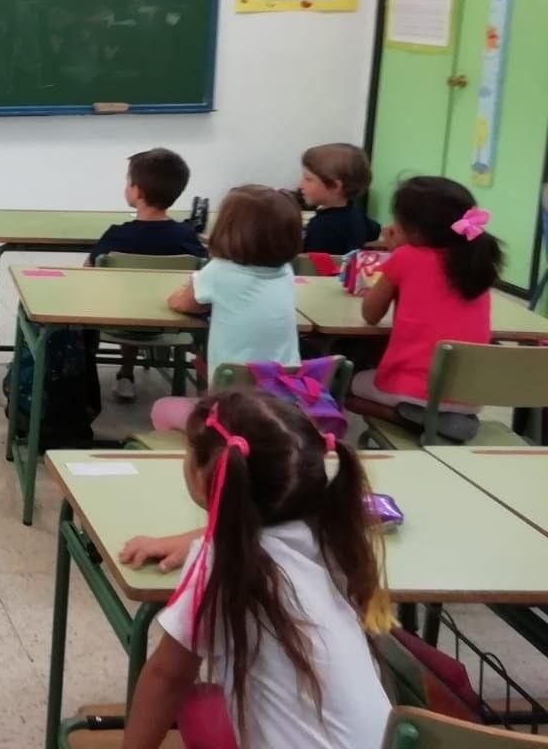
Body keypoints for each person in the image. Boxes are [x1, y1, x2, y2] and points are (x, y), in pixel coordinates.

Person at [119, 391, 388, 749]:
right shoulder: (335, 534)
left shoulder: (220, 563)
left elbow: (165, 679)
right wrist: (195, 537)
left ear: (204, 479)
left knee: (197, 705)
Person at [354, 175, 501, 441]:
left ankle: (414, 419)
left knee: (344, 381)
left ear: (415, 231)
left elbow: (370, 315)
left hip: (414, 388)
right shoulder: (477, 260)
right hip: (469, 394)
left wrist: (395, 252)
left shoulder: (406, 257)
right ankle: (444, 418)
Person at [152, 185, 303, 431]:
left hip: (230, 409)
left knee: (162, 408)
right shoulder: (286, 271)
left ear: (227, 229)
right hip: (285, 404)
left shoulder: (220, 271)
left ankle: (206, 458)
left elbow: (180, 302)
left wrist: (189, 287)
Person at [90, 148, 207, 402]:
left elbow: (87, 274)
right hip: (173, 320)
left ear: (138, 191)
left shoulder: (117, 235)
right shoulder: (186, 237)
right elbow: (204, 271)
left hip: (118, 318)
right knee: (143, 299)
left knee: (130, 299)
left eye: (128, 181)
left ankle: (125, 373)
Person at [299, 143, 381, 255]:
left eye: (308, 179)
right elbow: (375, 230)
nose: (301, 185)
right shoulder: (354, 213)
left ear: (336, 186)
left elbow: (311, 266)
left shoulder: (322, 229)